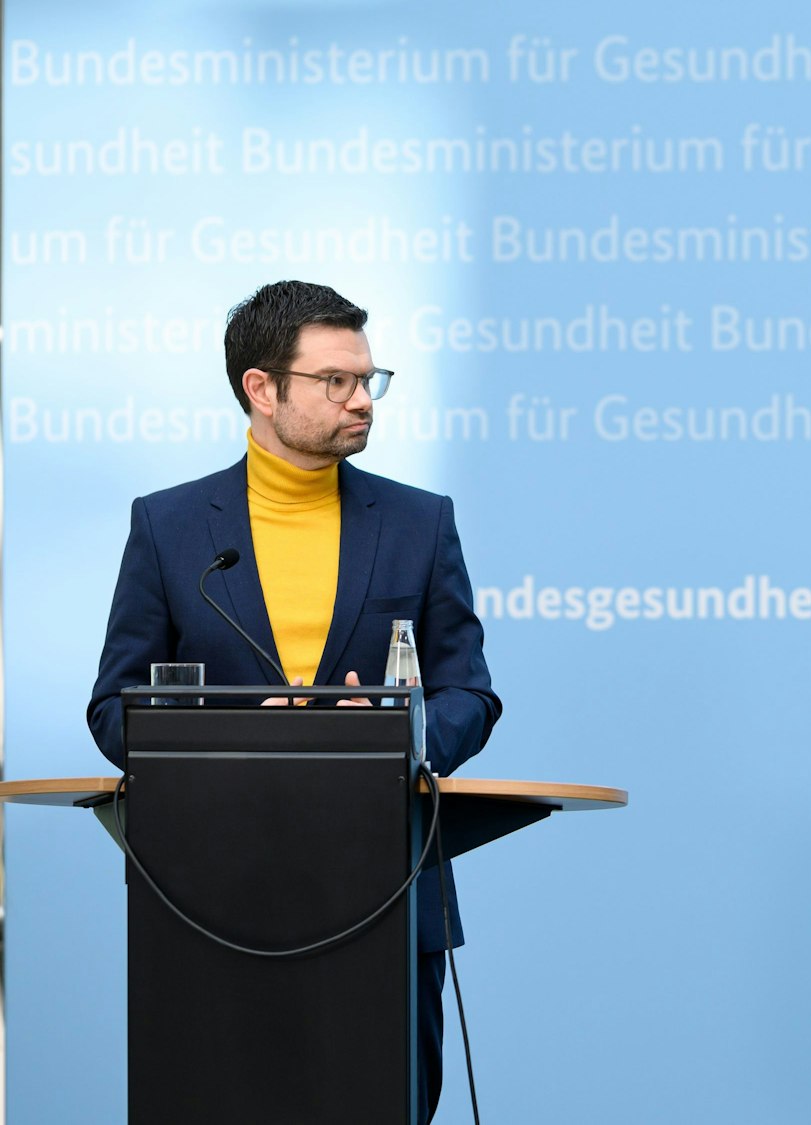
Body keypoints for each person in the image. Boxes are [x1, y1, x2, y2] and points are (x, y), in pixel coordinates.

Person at [87, 280, 501, 1122]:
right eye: (337, 381)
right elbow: (112, 708)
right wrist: (234, 737)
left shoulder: (420, 523)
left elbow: (470, 692)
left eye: (369, 378)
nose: (362, 400)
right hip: (212, 901)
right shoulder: (171, 529)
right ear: (262, 389)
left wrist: (401, 735)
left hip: (386, 891)